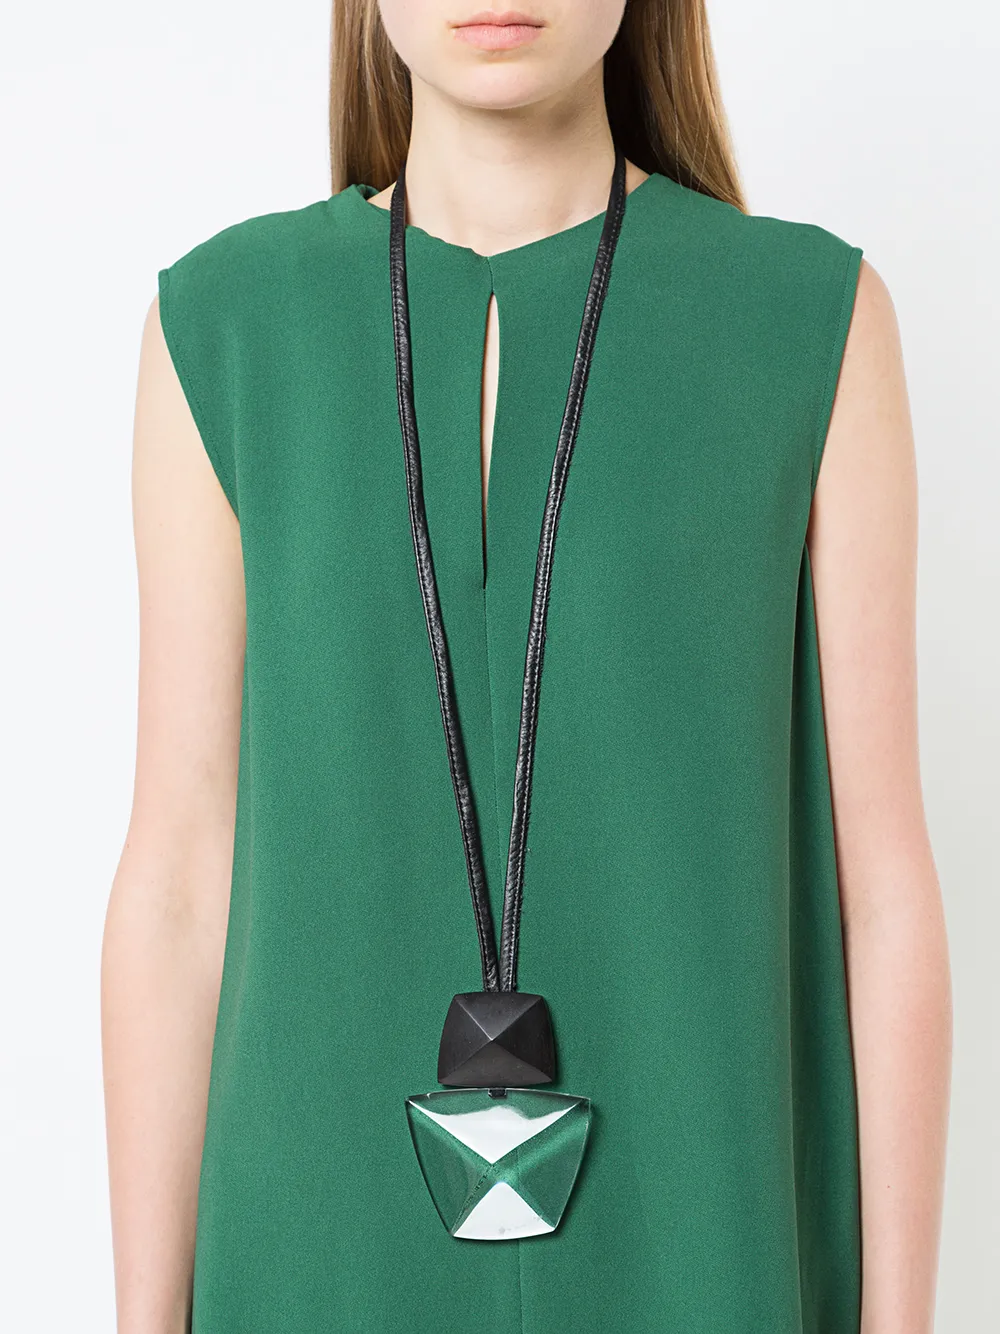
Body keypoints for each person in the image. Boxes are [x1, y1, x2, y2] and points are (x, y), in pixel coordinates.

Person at [101, 3, 952, 1331]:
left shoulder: (813, 320)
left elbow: (881, 890)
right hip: (311, 1260)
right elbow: (177, 879)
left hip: (703, 1246)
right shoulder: (222, 328)